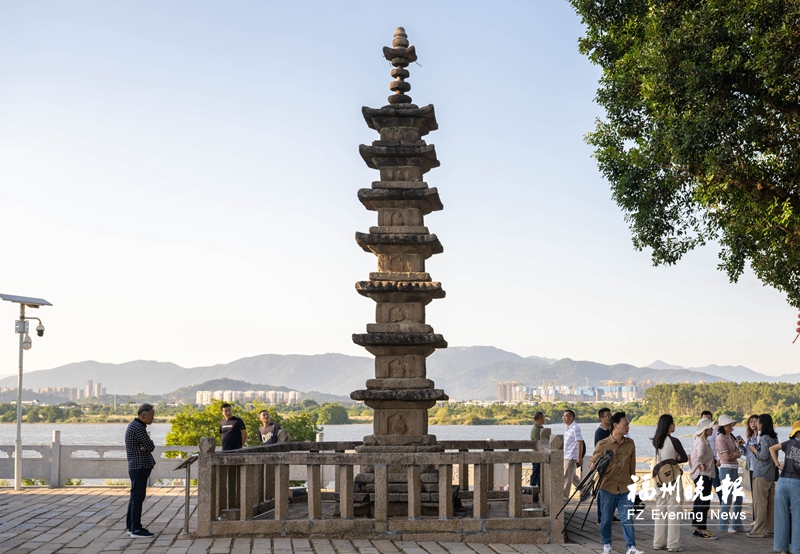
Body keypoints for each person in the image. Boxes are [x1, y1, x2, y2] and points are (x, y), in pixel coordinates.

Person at [590, 411, 643, 554]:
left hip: (626, 488)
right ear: (616, 425)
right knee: (606, 520)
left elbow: (632, 466)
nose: (628, 427)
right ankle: (606, 545)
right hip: (607, 487)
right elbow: (592, 461)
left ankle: (631, 547)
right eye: (625, 424)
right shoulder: (603, 444)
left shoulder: (630, 444)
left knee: (627, 519)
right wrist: (593, 465)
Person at [652, 414, 688, 552]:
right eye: (673, 423)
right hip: (672, 478)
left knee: (661, 510)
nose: (674, 425)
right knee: (674, 510)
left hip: (659, 479)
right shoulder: (674, 441)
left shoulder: (657, 441)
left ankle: (658, 542)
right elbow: (683, 457)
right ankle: (673, 544)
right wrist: (677, 458)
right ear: (669, 425)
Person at [125, 403, 156, 539]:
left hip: (137, 466)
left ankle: (132, 526)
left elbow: (147, 446)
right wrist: (146, 446)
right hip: (139, 466)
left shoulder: (136, 426)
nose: (153, 419)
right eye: (152, 416)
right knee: (137, 497)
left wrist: (146, 446)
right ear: (143, 415)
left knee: (135, 497)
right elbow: (150, 446)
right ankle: (135, 528)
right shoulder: (138, 427)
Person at [770, 420, 800, 554]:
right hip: (797, 483)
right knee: (797, 518)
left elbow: (772, 448)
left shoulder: (788, 444)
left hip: (782, 481)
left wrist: (777, 465)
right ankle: (796, 549)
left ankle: (781, 548)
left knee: (781, 516)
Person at [748, 413, 777, 538]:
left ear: (763, 424)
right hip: (771, 473)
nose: (757, 424)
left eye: (758, 422)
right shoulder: (773, 438)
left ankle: (758, 530)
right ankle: (771, 528)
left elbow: (764, 456)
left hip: (762, 473)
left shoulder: (764, 438)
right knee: (771, 503)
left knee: (760, 503)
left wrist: (754, 451)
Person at [716, 414, 746, 533]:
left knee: (738, 497)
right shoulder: (721, 438)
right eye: (727, 424)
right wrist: (736, 453)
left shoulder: (730, 436)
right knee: (727, 499)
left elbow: (738, 452)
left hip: (734, 469)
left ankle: (737, 524)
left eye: (730, 424)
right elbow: (727, 457)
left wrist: (736, 453)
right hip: (726, 470)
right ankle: (723, 525)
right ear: (722, 426)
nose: (730, 426)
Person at [690, 417, 717, 540]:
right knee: (703, 502)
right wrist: (702, 463)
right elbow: (700, 454)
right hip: (703, 475)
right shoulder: (702, 442)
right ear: (704, 429)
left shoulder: (699, 440)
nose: (712, 430)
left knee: (699, 501)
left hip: (700, 475)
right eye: (710, 428)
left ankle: (697, 528)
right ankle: (702, 529)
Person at [594, 407, 613, 524]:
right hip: (603, 465)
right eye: (607, 416)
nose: (610, 418)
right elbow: (601, 450)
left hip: (612, 465)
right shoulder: (600, 432)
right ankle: (601, 516)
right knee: (603, 490)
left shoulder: (610, 430)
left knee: (612, 491)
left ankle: (609, 514)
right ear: (601, 418)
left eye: (611, 415)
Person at [701, 409, 723, 503]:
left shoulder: (715, 433)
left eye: (709, 419)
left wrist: (719, 459)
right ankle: (697, 509)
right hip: (701, 463)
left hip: (712, 462)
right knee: (701, 486)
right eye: (704, 419)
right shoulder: (698, 434)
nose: (707, 422)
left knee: (717, 485)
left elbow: (719, 447)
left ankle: (723, 505)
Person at [563, 409, 584, 502]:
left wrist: (579, 458)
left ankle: (564, 498)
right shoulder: (568, 428)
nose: (564, 418)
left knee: (567, 477)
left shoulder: (575, 427)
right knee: (573, 477)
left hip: (571, 456)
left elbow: (580, 442)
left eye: (566, 416)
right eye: (563, 416)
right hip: (566, 455)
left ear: (571, 417)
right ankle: (586, 492)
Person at [529, 411, 545, 487]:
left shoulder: (540, 428)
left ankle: (539, 491)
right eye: (543, 418)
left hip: (541, 456)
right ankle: (532, 490)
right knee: (536, 474)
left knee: (540, 475)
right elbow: (541, 443)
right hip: (537, 456)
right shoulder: (535, 430)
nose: (544, 419)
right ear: (539, 419)